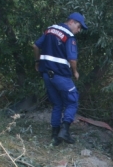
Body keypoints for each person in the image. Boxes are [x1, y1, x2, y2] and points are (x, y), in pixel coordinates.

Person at [33, 13, 88, 146]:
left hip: (47, 74)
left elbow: (35, 46)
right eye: (79, 27)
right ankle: (65, 131)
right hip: (60, 75)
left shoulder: (49, 30)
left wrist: (37, 61)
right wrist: (75, 72)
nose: (78, 30)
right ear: (72, 22)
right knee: (72, 100)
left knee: (57, 104)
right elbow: (72, 58)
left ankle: (55, 135)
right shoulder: (69, 36)